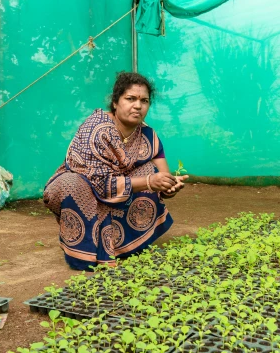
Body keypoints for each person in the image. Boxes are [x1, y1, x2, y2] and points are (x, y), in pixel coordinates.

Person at [43, 72, 189, 271]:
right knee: (74, 184)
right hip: (82, 188)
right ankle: (83, 250)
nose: (138, 105)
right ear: (115, 102)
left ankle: (123, 247)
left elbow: (161, 177)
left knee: (149, 170)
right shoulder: (96, 128)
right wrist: (149, 181)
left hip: (118, 189)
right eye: (130, 99)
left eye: (144, 101)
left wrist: (170, 186)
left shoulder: (147, 135)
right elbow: (101, 183)